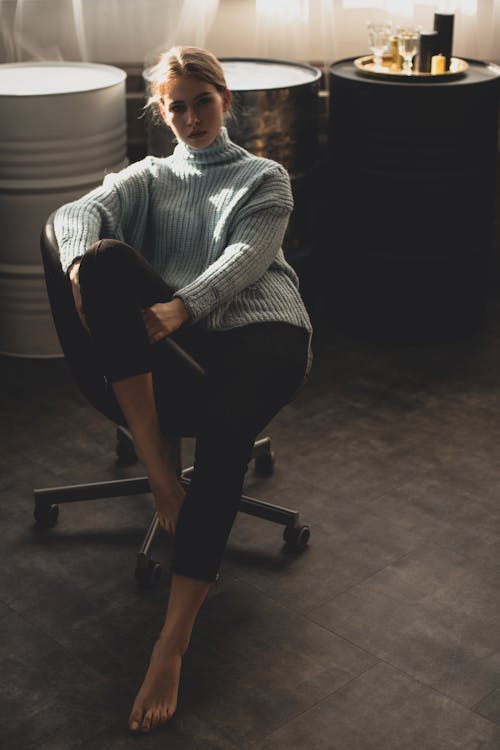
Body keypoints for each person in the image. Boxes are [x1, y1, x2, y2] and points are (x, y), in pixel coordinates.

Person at [54, 45, 312, 734]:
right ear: (162, 114)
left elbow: (244, 261)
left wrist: (181, 306)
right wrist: (80, 264)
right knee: (102, 256)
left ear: (225, 100)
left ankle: (172, 641)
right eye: (178, 107)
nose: (192, 116)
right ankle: (159, 469)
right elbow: (71, 213)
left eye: (203, 101)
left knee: (228, 433)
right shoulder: (145, 178)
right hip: (177, 343)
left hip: (262, 331)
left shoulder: (265, 177)